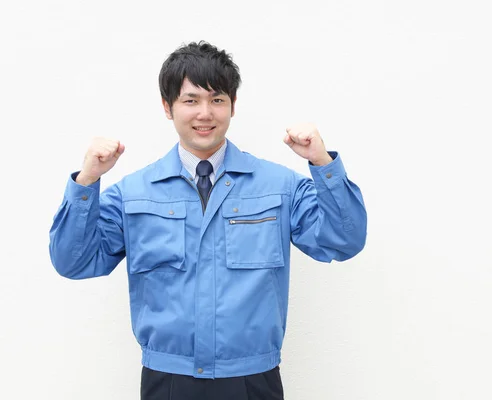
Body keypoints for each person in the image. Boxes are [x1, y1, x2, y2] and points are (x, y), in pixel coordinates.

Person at [49, 40, 367, 400]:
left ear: (232, 106)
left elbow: (344, 240)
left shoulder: (280, 187)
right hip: (167, 380)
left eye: (217, 99)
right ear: (168, 108)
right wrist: (87, 182)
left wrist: (322, 164)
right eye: (190, 100)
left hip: (252, 380)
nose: (205, 113)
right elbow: (72, 262)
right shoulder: (133, 193)